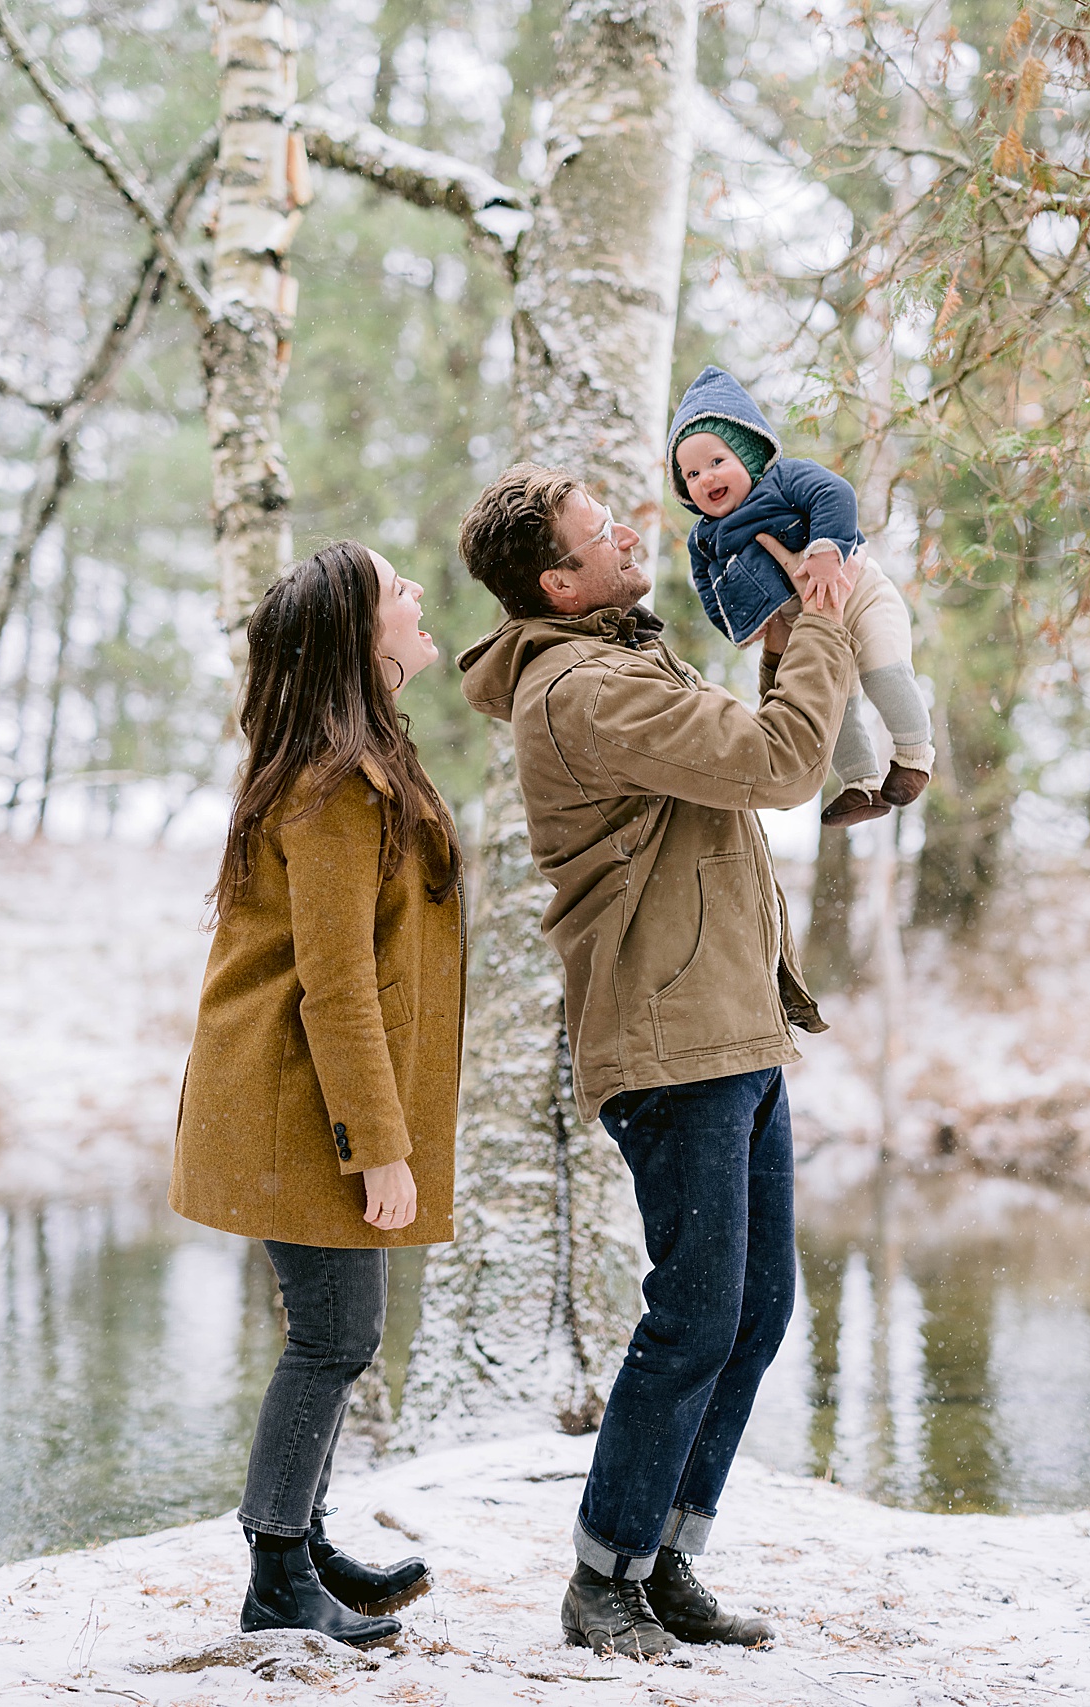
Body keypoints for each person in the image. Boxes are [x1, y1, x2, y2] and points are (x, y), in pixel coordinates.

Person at [456, 464, 856, 1659]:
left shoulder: (622, 659)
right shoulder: (581, 689)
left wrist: (784, 632)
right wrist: (818, 630)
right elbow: (780, 764)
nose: (630, 530)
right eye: (598, 531)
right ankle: (600, 1581)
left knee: (756, 1308)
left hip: (728, 1023)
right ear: (556, 581)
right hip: (672, 1038)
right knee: (692, 1316)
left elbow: (742, 761)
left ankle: (666, 1557)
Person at [169, 541, 465, 1650]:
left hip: (309, 1096)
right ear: (357, 635)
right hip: (303, 1101)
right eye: (399, 591)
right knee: (334, 1337)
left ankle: (301, 1538)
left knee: (338, 1331)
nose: (418, 595)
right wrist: (376, 1148)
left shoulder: (359, 762)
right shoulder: (335, 785)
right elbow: (336, 987)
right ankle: (278, 1575)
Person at [669, 364, 935, 828]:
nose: (705, 478)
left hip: (858, 593)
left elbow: (835, 494)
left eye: (717, 461)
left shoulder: (784, 479)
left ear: (749, 454)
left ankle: (914, 756)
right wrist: (740, 627)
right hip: (806, 626)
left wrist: (827, 550)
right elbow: (708, 588)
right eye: (691, 473)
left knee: (884, 672)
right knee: (835, 706)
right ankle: (861, 785)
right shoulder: (705, 539)